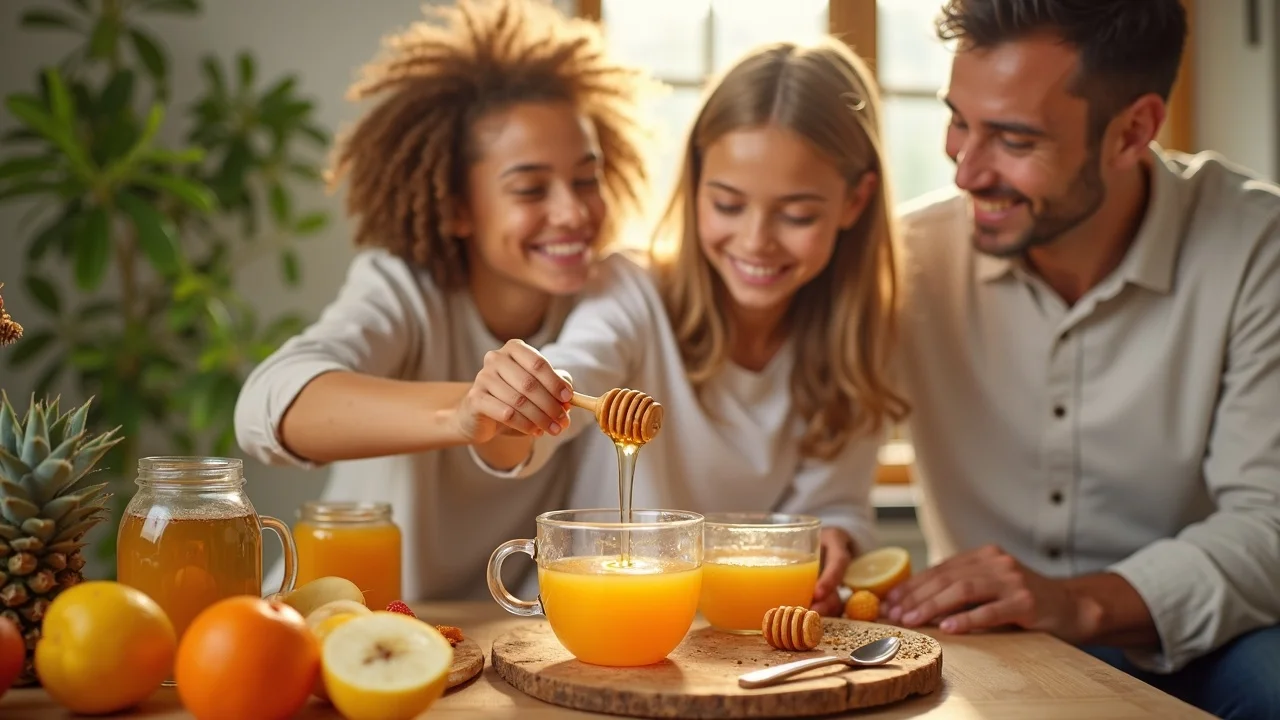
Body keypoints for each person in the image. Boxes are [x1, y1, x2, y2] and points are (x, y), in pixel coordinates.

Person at [880, 0, 1280, 716]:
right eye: (959, 120)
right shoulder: (904, 257)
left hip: (1215, 643)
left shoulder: (1257, 251)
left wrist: (1075, 603)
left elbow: (1269, 523)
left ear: (1133, 132)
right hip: (982, 636)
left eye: (1014, 139)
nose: (966, 171)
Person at [454, 37, 910, 616]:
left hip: (746, 634)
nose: (755, 241)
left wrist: (835, 541)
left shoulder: (857, 341)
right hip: (612, 624)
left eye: (797, 214)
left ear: (855, 201)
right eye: (728, 205)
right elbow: (575, 371)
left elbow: (834, 506)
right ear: (695, 184)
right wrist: (522, 399)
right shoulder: (631, 293)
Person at [233, 0, 654, 601]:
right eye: (530, 189)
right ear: (457, 207)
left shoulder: (606, 298)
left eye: (586, 179)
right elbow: (264, 409)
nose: (572, 212)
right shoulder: (403, 290)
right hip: (343, 618)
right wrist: (461, 415)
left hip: (494, 629)